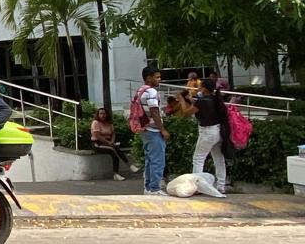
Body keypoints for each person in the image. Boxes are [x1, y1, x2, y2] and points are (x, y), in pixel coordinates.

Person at [176, 78, 230, 194]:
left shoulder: (202, 100)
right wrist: (191, 101)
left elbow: (186, 113)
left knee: (198, 159)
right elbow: (200, 108)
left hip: (207, 133)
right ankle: (221, 185)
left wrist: (181, 100)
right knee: (219, 159)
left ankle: (197, 186)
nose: (198, 87)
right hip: (218, 131)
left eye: (200, 86)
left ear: (204, 88)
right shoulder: (215, 99)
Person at [138, 66, 170, 196]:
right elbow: (154, 111)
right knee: (157, 160)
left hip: (144, 129)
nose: (159, 79)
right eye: (157, 77)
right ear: (149, 78)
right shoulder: (151, 92)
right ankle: (155, 188)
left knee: (149, 159)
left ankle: (148, 187)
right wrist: (162, 130)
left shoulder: (141, 90)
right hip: (153, 130)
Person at [91, 108, 137, 180]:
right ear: (98, 115)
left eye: (104, 114)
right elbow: (97, 136)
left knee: (115, 149)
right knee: (113, 150)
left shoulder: (109, 123)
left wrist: (112, 141)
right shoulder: (96, 123)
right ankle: (118, 172)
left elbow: (113, 134)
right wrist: (108, 143)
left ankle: (126, 168)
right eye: (101, 114)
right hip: (98, 143)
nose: (103, 115)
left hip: (108, 142)